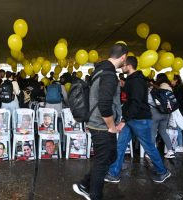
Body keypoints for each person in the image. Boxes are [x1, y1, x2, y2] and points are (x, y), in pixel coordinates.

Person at [104, 56, 171, 186]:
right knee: (121, 145)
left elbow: (136, 103)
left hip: (140, 119)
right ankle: (114, 173)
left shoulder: (136, 81)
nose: (121, 67)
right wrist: (126, 118)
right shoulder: (133, 80)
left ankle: (163, 171)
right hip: (132, 119)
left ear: (128, 66)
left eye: (123, 65)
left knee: (149, 147)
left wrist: (124, 120)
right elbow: (132, 100)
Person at [73, 43, 127, 200]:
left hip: (97, 123)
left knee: (111, 156)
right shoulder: (109, 75)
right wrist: (112, 126)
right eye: (126, 58)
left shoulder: (101, 70)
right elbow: (104, 104)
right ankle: (94, 195)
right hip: (101, 126)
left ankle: (84, 184)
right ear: (123, 57)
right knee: (103, 161)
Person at [150, 73, 175, 158]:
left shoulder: (160, 87)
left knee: (153, 132)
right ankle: (170, 151)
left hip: (156, 112)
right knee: (163, 132)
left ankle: (151, 154)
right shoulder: (169, 87)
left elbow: (153, 100)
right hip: (166, 113)